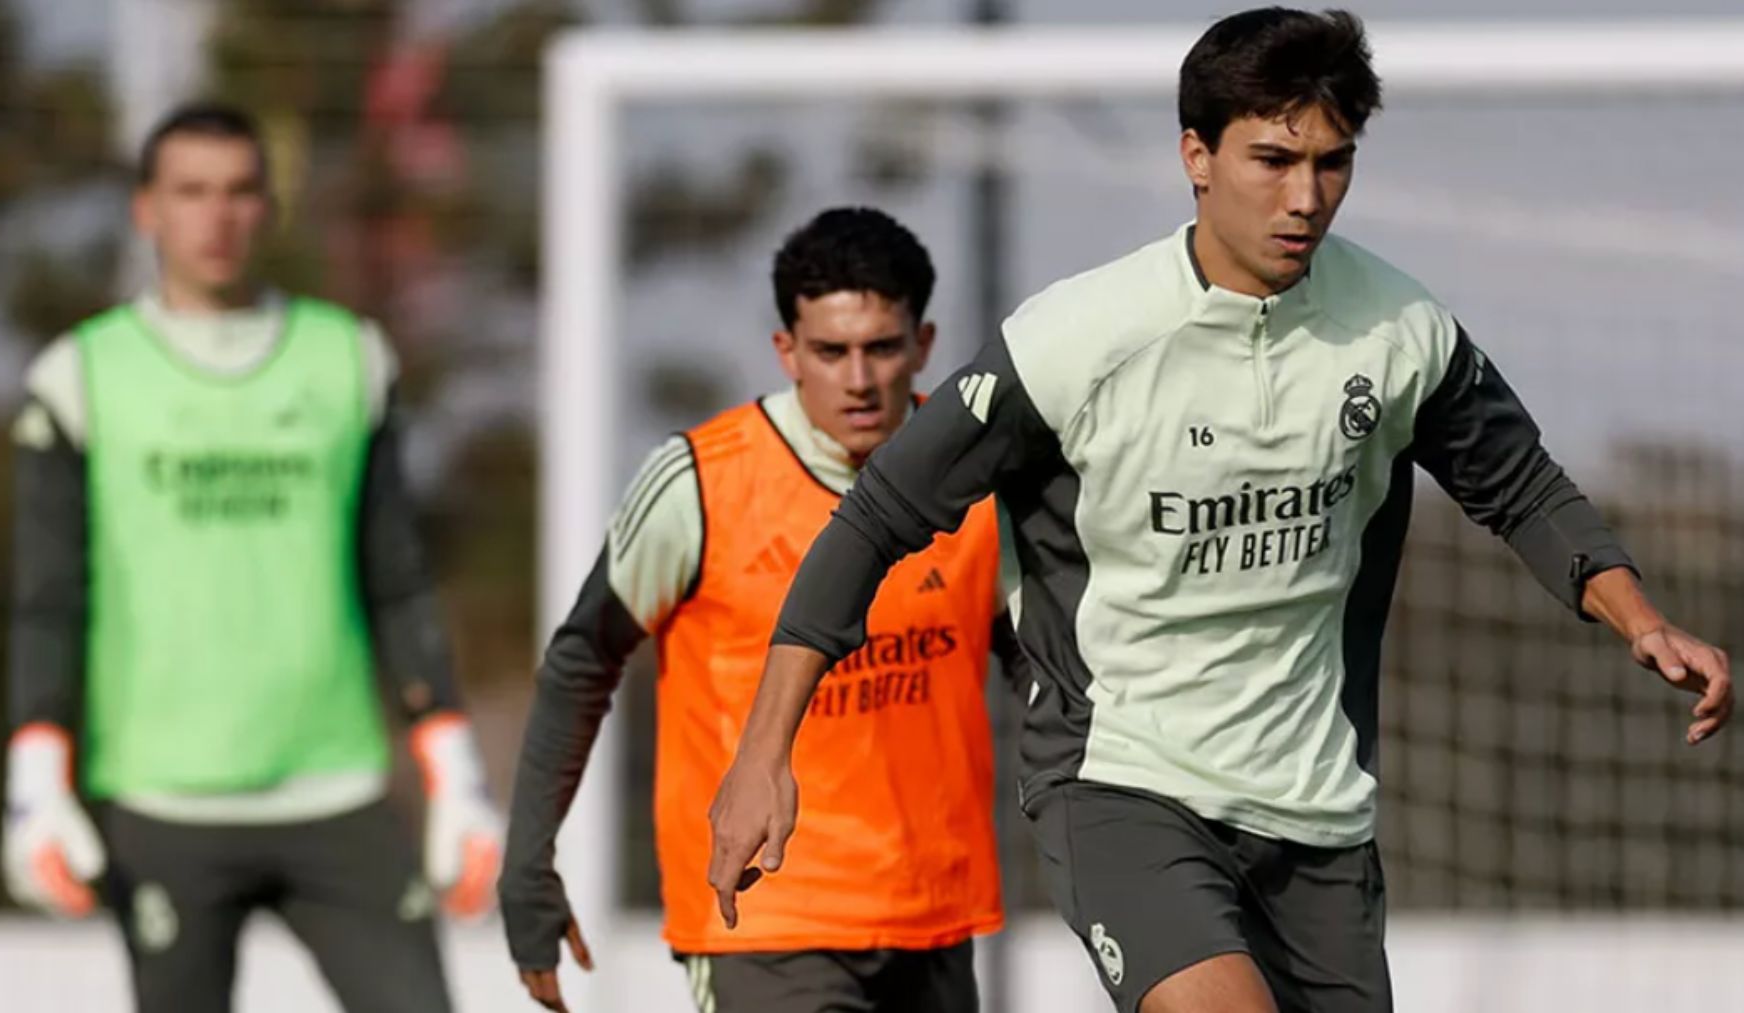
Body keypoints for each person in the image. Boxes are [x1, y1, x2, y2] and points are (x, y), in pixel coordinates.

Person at [707, 10, 1733, 1013]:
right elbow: (877, 516)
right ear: (1196, 155)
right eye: (1273, 160)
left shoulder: (1400, 329)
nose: (1307, 197)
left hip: (1316, 806)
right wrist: (764, 753)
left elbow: (1521, 485)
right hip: (1120, 778)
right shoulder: (1079, 340)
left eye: (1332, 163)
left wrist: (1637, 614)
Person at [0, 102, 503, 1013]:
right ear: (145, 209)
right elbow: (49, 598)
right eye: (190, 192)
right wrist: (36, 780)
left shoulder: (346, 359)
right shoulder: (79, 377)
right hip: (160, 798)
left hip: (337, 790)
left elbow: (396, 579)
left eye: (238, 192)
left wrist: (457, 778)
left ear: (269, 208)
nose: (216, 216)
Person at [499, 207, 1027, 1013]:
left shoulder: (976, 485)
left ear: (923, 345)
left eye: (882, 348)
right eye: (830, 351)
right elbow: (580, 661)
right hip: (764, 922)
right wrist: (527, 866)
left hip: (935, 916)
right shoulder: (700, 482)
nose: (858, 379)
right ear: (787, 351)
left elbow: (1050, 674)